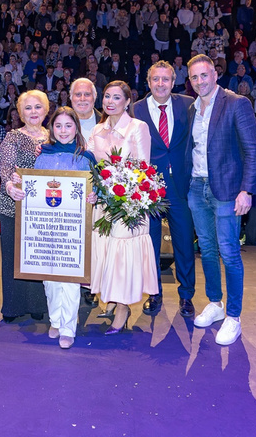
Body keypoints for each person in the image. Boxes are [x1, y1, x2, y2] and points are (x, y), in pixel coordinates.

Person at [186, 55, 256, 346]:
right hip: (196, 187)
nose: (200, 81)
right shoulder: (192, 109)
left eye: (204, 75)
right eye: (194, 77)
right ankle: (215, 303)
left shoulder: (236, 103)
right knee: (206, 249)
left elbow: (253, 151)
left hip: (228, 190)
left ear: (215, 74)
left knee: (229, 252)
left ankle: (233, 316)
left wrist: (247, 190)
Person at [86, 81, 157, 335]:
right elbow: (88, 164)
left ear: (128, 102)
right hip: (104, 203)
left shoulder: (138, 127)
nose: (110, 101)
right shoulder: (97, 129)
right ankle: (113, 299)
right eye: (107, 96)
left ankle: (124, 307)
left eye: (117, 97)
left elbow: (143, 168)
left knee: (122, 257)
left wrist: (126, 198)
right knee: (106, 253)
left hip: (128, 205)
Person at [132, 61, 196, 318]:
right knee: (151, 244)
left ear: (174, 81)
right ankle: (154, 293)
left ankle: (187, 295)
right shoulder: (136, 109)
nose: (160, 84)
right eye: (155, 79)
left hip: (180, 185)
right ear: (148, 82)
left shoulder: (188, 103)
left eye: (165, 79)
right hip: (149, 187)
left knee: (184, 243)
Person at [32, 107, 97, 348]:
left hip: (75, 230)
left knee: (70, 280)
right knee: (50, 279)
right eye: (58, 126)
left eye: (68, 126)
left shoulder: (85, 157)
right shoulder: (42, 156)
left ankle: (68, 326)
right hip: (48, 229)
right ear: (51, 129)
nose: (63, 131)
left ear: (76, 128)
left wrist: (94, 197)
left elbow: (97, 189)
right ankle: (55, 321)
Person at [0, 90, 51, 323]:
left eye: (38, 107)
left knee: (38, 256)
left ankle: (37, 304)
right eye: (27, 108)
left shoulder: (55, 136)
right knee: (13, 256)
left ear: (46, 110)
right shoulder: (13, 137)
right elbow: (6, 167)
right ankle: (12, 306)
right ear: (20, 112)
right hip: (14, 206)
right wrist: (10, 185)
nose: (33, 112)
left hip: (44, 209)